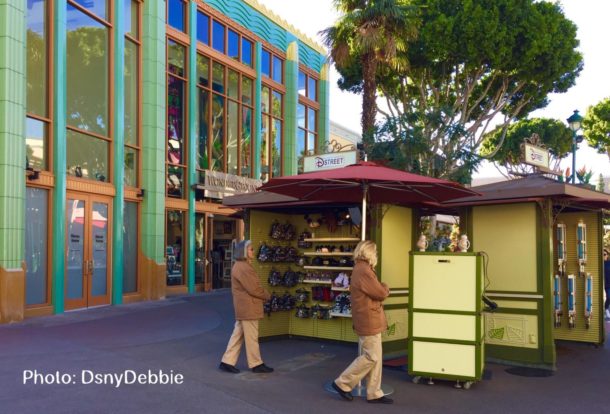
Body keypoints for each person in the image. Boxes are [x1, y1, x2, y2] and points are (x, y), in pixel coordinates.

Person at [332, 240, 393, 404]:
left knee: (376, 358)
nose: (377, 255)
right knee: (371, 357)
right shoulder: (364, 270)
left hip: (368, 318)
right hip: (368, 320)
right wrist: (385, 286)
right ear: (369, 253)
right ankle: (343, 383)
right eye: (375, 252)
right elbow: (380, 293)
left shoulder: (361, 269)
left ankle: (374, 393)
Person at [219, 240, 273, 374]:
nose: (253, 251)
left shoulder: (239, 266)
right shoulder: (244, 267)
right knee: (252, 337)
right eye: (250, 249)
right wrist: (268, 296)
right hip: (249, 307)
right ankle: (256, 364)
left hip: (244, 307)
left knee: (237, 335)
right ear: (244, 252)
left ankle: (227, 361)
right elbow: (254, 289)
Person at [604, 249, 610, 320]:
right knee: (609, 297)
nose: (604, 256)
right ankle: (606, 309)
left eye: (605, 254)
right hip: (606, 284)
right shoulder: (601, 264)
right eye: (602, 254)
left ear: (607, 255)